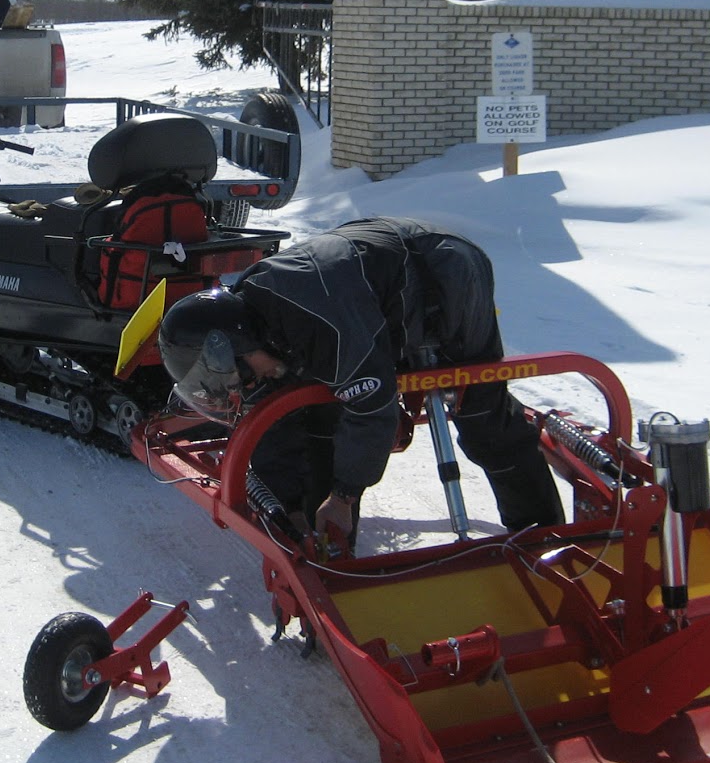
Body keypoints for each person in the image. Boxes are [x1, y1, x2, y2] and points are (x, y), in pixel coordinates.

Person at [157, 216, 564, 543]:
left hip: (445, 270)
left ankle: (543, 533)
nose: (246, 383)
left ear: (241, 344)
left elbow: (372, 409)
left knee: (483, 417)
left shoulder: (318, 322)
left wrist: (344, 496)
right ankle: (324, 542)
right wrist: (286, 507)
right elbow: (275, 415)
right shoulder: (257, 318)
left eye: (241, 374)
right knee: (318, 414)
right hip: (374, 281)